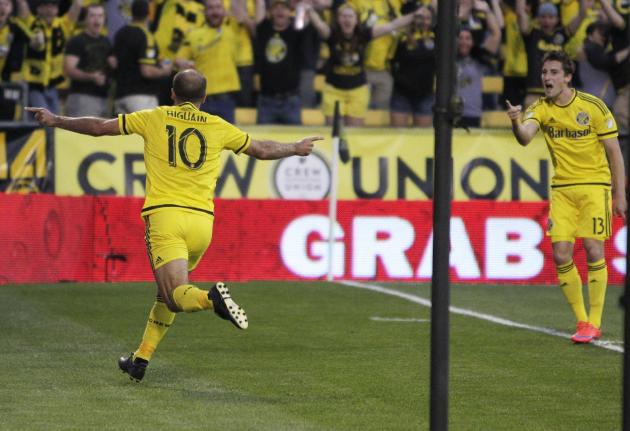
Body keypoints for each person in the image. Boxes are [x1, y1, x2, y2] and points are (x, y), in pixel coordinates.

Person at [26, 69, 323, 381]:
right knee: (166, 293)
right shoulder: (218, 125)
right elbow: (261, 149)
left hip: (166, 217)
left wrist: (57, 119)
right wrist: (295, 147)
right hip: (202, 224)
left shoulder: (154, 117)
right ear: (204, 98)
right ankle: (140, 359)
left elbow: (100, 128)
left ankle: (212, 299)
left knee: (174, 295)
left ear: (172, 93)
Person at [506, 50, 626, 344]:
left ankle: (594, 322)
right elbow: (524, 137)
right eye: (545, 72)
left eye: (554, 72)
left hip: (594, 186)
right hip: (562, 190)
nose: (547, 77)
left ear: (568, 77)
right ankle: (582, 320)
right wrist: (515, 120)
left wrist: (619, 194)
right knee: (561, 254)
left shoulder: (593, 107)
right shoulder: (541, 108)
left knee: (594, 249)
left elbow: (615, 153)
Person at [308, 2, 420, 126]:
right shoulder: (332, 34)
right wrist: (307, 9)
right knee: (333, 132)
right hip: (333, 90)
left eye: (350, 16)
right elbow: (319, 24)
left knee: (354, 134)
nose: (347, 19)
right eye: (344, 16)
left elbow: (391, 26)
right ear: (338, 19)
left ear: (356, 20)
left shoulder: (363, 34)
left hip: (358, 90)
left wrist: (416, 14)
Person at [175, 0, 240, 123]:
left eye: (218, 7)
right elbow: (179, 59)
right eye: (210, 8)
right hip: (201, 98)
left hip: (227, 96)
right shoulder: (193, 34)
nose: (215, 11)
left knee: (228, 140)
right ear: (204, 12)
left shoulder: (233, 28)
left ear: (224, 11)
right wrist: (184, 64)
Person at [16, 0, 82, 115]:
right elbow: (22, 4)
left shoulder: (62, 25)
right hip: (33, 84)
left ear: (57, 9)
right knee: (45, 118)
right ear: (38, 9)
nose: (49, 9)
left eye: (53, 6)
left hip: (52, 85)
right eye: (45, 5)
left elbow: (77, 5)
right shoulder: (31, 22)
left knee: (54, 121)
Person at [112, 0, 173, 114]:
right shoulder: (146, 35)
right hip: (141, 97)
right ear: (148, 14)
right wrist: (164, 71)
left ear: (132, 13)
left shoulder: (120, 33)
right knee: (145, 131)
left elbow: (112, 62)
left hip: (120, 95)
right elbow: (147, 71)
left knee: (123, 132)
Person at [63, 4, 115, 117]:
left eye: (100, 16)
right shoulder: (77, 41)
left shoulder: (106, 41)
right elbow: (68, 69)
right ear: (86, 19)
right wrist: (91, 76)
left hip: (104, 98)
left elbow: (113, 65)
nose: (97, 20)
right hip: (82, 97)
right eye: (92, 16)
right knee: (82, 134)